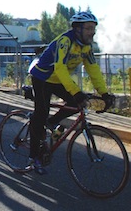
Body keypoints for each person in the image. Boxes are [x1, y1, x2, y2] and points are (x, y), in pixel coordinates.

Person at [27, 11, 116, 175]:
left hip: (58, 80)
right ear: (78, 29)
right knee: (41, 113)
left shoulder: (86, 47)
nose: (92, 32)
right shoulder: (65, 41)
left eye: (93, 28)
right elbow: (59, 68)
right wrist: (76, 91)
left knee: (78, 103)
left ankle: (51, 122)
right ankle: (33, 158)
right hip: (42, 77)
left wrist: (104, 93)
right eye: (88, 28)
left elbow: (93, 69)